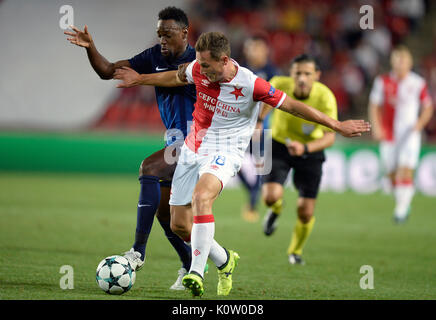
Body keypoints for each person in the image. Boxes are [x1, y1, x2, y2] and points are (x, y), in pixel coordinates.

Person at [114, 31, 370, 297]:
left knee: (202, 196)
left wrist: (337, 125)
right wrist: (140, 79)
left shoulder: (251, 83)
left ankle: (196, 272)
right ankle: (225, 259)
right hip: (192, 148)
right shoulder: (198, 68)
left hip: (226, 151)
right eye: (199, 64)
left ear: (224, 60)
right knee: (179, 225)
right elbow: (177, 76)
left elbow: (292, 105)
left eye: (207, 65)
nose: (200, 70)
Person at [64, 6, 196, 290]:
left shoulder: (197, 62)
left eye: (168, 34)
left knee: (148, 168)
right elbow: (108, 71)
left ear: (185, 33)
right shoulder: (153, 57)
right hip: (174, 140)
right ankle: (191, 265)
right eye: (159, 33)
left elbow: (177, 77)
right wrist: (91, 48)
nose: (161, 39)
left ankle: (137, 252)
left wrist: (141, 78)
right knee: (165, 215)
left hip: (197, 141)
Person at [259, 54, 337, 266]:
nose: (302, 78)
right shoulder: (278, 84)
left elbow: (330, 137)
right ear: (291, 74)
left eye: (307, 74)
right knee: (270, 196)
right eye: (297, 73)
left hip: (310, 151)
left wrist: (305, 148)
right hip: (279, 145)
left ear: (317, 76)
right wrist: (258, 123)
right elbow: (263, 107)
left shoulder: (326, 98)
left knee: (305, 212)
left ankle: (295, 251)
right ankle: (275, 209)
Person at [368, 45, 433, 223]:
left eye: (404, 61)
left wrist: (419, 125)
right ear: (392, 62)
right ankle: (402, 203)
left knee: (405, 170)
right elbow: (374, 105)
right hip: (389, 134)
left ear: (410, 63)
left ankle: (401, 210)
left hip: (409, 134)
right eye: (397, 60)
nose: (400, 64)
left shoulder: (417, 82)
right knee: (391, 174)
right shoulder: (382, 81)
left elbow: (428, 106)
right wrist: (377, 127)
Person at [238, 34, 280, 223]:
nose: (252, 51)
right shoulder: (240, 69)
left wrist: (262, 122)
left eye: (256, 47)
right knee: (235, 165)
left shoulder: (273, 72)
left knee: (262, 169)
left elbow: (274, 100)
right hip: (241, 126)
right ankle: (252, 195)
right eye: (250, 47)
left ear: (265, 50)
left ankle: (252, 206)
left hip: (265, 128)